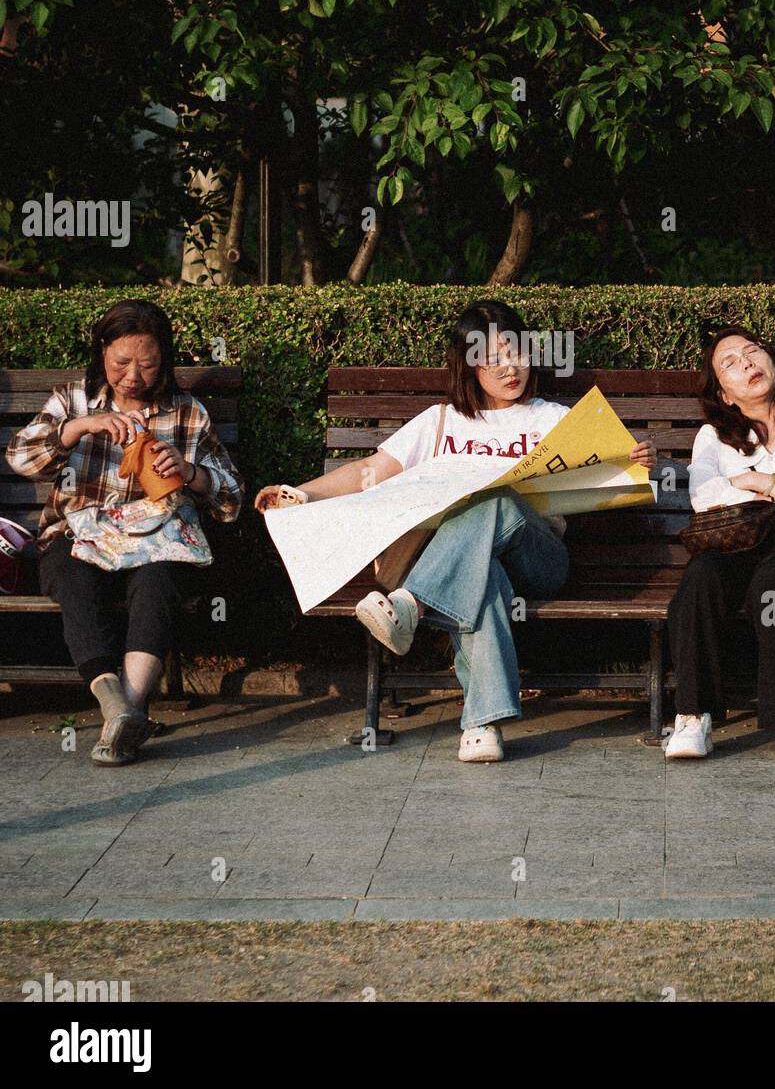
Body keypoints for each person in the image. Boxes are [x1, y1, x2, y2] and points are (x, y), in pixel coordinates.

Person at [255, 301, 655, 763]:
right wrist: (299, 495)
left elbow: (618, 466)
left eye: (516, 352)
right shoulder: (441, 421)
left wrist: (640, 460)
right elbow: (370, 471)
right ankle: (481, 725)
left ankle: (412, 603)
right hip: (469, 565)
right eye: (490, 358)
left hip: (539, 558)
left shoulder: (550, 418)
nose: (509, 368)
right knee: (481, 578)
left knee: (493, 497)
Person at [6, 299, 243, 765]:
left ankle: (128, 714)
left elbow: (232, 500)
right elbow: (20, 458)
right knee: (71, 576)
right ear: (101, 354)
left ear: (165, 362)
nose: (133, 376)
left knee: (159, 580)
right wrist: (76, 429)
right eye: (121, 363)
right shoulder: (72, 401)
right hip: (78, 536)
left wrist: (191, 473)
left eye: (148, 364)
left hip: (156, 541)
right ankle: (115, 707)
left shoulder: (187, 413)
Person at [666, 327, 775, 764]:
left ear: (772, 363)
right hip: (735, 540)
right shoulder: (713, 437)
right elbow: (704, 497)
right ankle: (693, 716)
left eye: (752, 352)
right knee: (700, 578)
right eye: (729, 363)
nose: (746, 363)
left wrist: (754, 480)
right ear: (725, 395)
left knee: (773, 583)